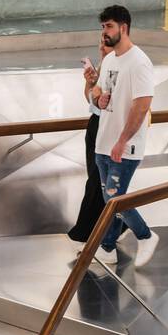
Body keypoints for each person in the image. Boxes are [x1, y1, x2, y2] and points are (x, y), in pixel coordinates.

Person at [89, 5, 159, 269]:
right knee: (111, 200)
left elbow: (141, 105)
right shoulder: (110, 59)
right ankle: (107, 248)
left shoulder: (140, 62)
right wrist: (99, 96)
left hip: (124, 146)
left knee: (114, 198)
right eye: (102, 27)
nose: (104, 32)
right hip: (103, 143)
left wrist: (122, 141)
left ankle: (146, 235)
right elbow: (98, 89)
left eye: (108, 27)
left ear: (123, 28)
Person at [67, 33, 127, 250]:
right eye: (100, 43)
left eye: (105, 43)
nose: (102, 46)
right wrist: (90, 83)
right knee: (96, 178)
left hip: (109, 126)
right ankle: (110, 229)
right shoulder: (103, 66)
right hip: (95, 124)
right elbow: (91, 101)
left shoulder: (120, 68)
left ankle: (88, 232)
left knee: (98, 181)